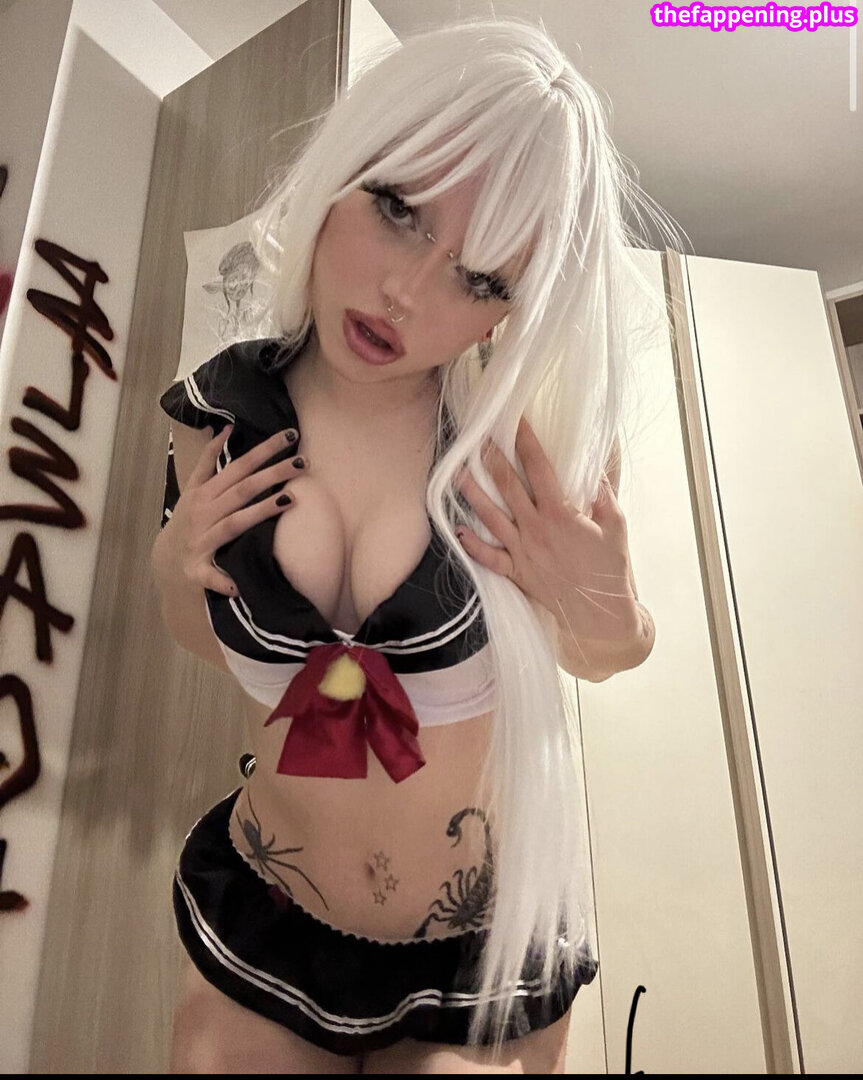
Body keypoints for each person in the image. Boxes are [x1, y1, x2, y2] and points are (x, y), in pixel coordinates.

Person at [152, 17, 662, 1075]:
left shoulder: (518, 452)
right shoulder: (217, 419)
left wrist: (610, 611)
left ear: (506, 315)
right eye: (396, 210)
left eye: (478, 280)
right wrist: (168, 569)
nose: (406, 293)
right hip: (269, 914)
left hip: (475, 946)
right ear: (341, 170)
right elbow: (210, 644)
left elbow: (603, 655)